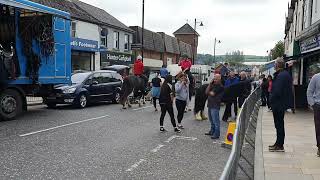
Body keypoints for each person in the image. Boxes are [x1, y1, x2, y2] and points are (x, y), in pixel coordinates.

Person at [269, 58, 294, 152]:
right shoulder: (283, 74)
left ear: (278, 65)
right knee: (279, 125)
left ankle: (279, 145)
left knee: (279, 125)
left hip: (278, 104)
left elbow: (277, 91)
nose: (274, 66)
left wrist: (271, 99)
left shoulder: (281, 75)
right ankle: (278, 143)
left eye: (275, 64)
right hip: (280, 104)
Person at [205, 74, 224, 139]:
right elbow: (206, 92)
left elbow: (212, 94)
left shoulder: (220, 87)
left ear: (219, 79)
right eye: (214, 78)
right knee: (211, 120)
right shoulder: (213, 85)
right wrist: (210, 84)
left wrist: (209, 92)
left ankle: (217, 133)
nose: (215, 80)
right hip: (210, 104)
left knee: (216, 120)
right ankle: (212, 131)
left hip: (215, 105)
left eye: (216, 79)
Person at [307, 73, 320, 157]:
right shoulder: (316, 77)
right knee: (318, 128)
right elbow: (309, 91)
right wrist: (312, 104)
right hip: (318, 106)